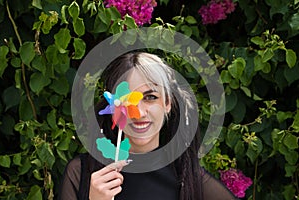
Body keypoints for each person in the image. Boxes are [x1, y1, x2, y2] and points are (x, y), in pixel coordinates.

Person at [59, 52, 238, 200]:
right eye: (128, 99)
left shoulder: (190, 181)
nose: (140, 112)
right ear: (113, 107)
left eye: (150, 97)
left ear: (167, 103)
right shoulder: (81, 173)